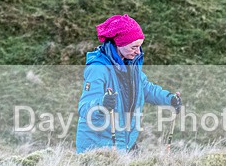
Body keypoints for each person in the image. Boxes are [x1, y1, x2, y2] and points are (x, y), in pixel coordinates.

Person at [76, 14, 181, 153]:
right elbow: (84, 108)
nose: (138, 52)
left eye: (140, 47)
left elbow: (146, 88)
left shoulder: (130, 66)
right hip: (97, 146)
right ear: (119, 44)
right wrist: (103, 105)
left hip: (125, 142)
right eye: (134, 47)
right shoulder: (98, 69)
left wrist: (169, 99)